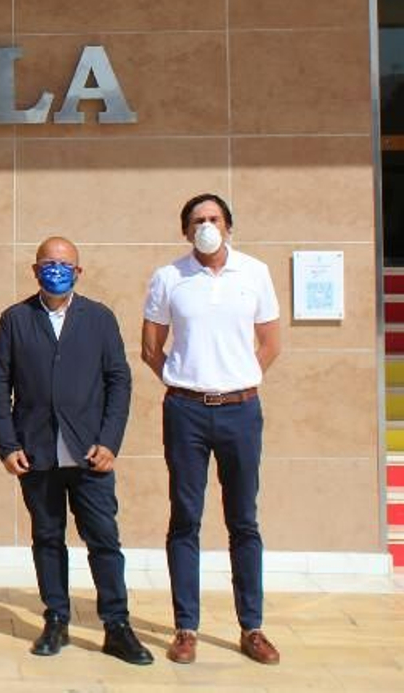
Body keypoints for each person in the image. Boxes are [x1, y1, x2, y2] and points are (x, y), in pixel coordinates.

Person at [0, 236, 153, 666]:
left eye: (64, 264)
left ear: (78, 272)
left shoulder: (99, 318)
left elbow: (119, 381)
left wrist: (110, 441)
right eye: (48, 263)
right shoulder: (15, 319)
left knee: (103, 541)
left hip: (90, 454)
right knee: (47, 538)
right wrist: (7, 445)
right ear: (35, 269)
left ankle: (116, 625)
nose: (55, 270)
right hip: (36, 453)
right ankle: (56, 618)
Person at [141, 193, 283, 666]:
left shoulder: (255, 273)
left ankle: (253, 626)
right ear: (186, 231)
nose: (207, 226)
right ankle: (186, 628)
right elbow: (150, 347)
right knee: (186, 517)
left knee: (244, 519)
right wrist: (188, 385)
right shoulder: (168, 278)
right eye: (198, 220)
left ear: (228, 226)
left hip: (242, 411)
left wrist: (237, 379)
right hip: (186, 412)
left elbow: (270, 342)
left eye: (214, 219)